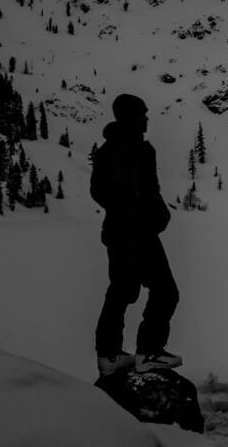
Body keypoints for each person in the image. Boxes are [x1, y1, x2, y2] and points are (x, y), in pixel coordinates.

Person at [92, 93, 182, 374]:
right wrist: (158, 216)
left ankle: (109, 356)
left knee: (121, 290)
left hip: (116, 232)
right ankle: (150, 351)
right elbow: (146, 191)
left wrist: (119, 211)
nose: (146, 119)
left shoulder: (106, 150)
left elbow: (97, 191)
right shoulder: (140, 150)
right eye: (142, 114)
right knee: (165, 290)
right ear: (132, 118)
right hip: (138, 232)